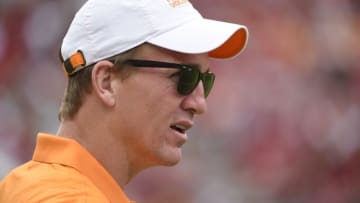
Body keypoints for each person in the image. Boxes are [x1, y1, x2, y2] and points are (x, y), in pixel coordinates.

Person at [0, 0, 248, 202]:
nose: (199, 103)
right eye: (184, 76)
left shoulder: (37, 185)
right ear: (106, 81)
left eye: (205, 80)